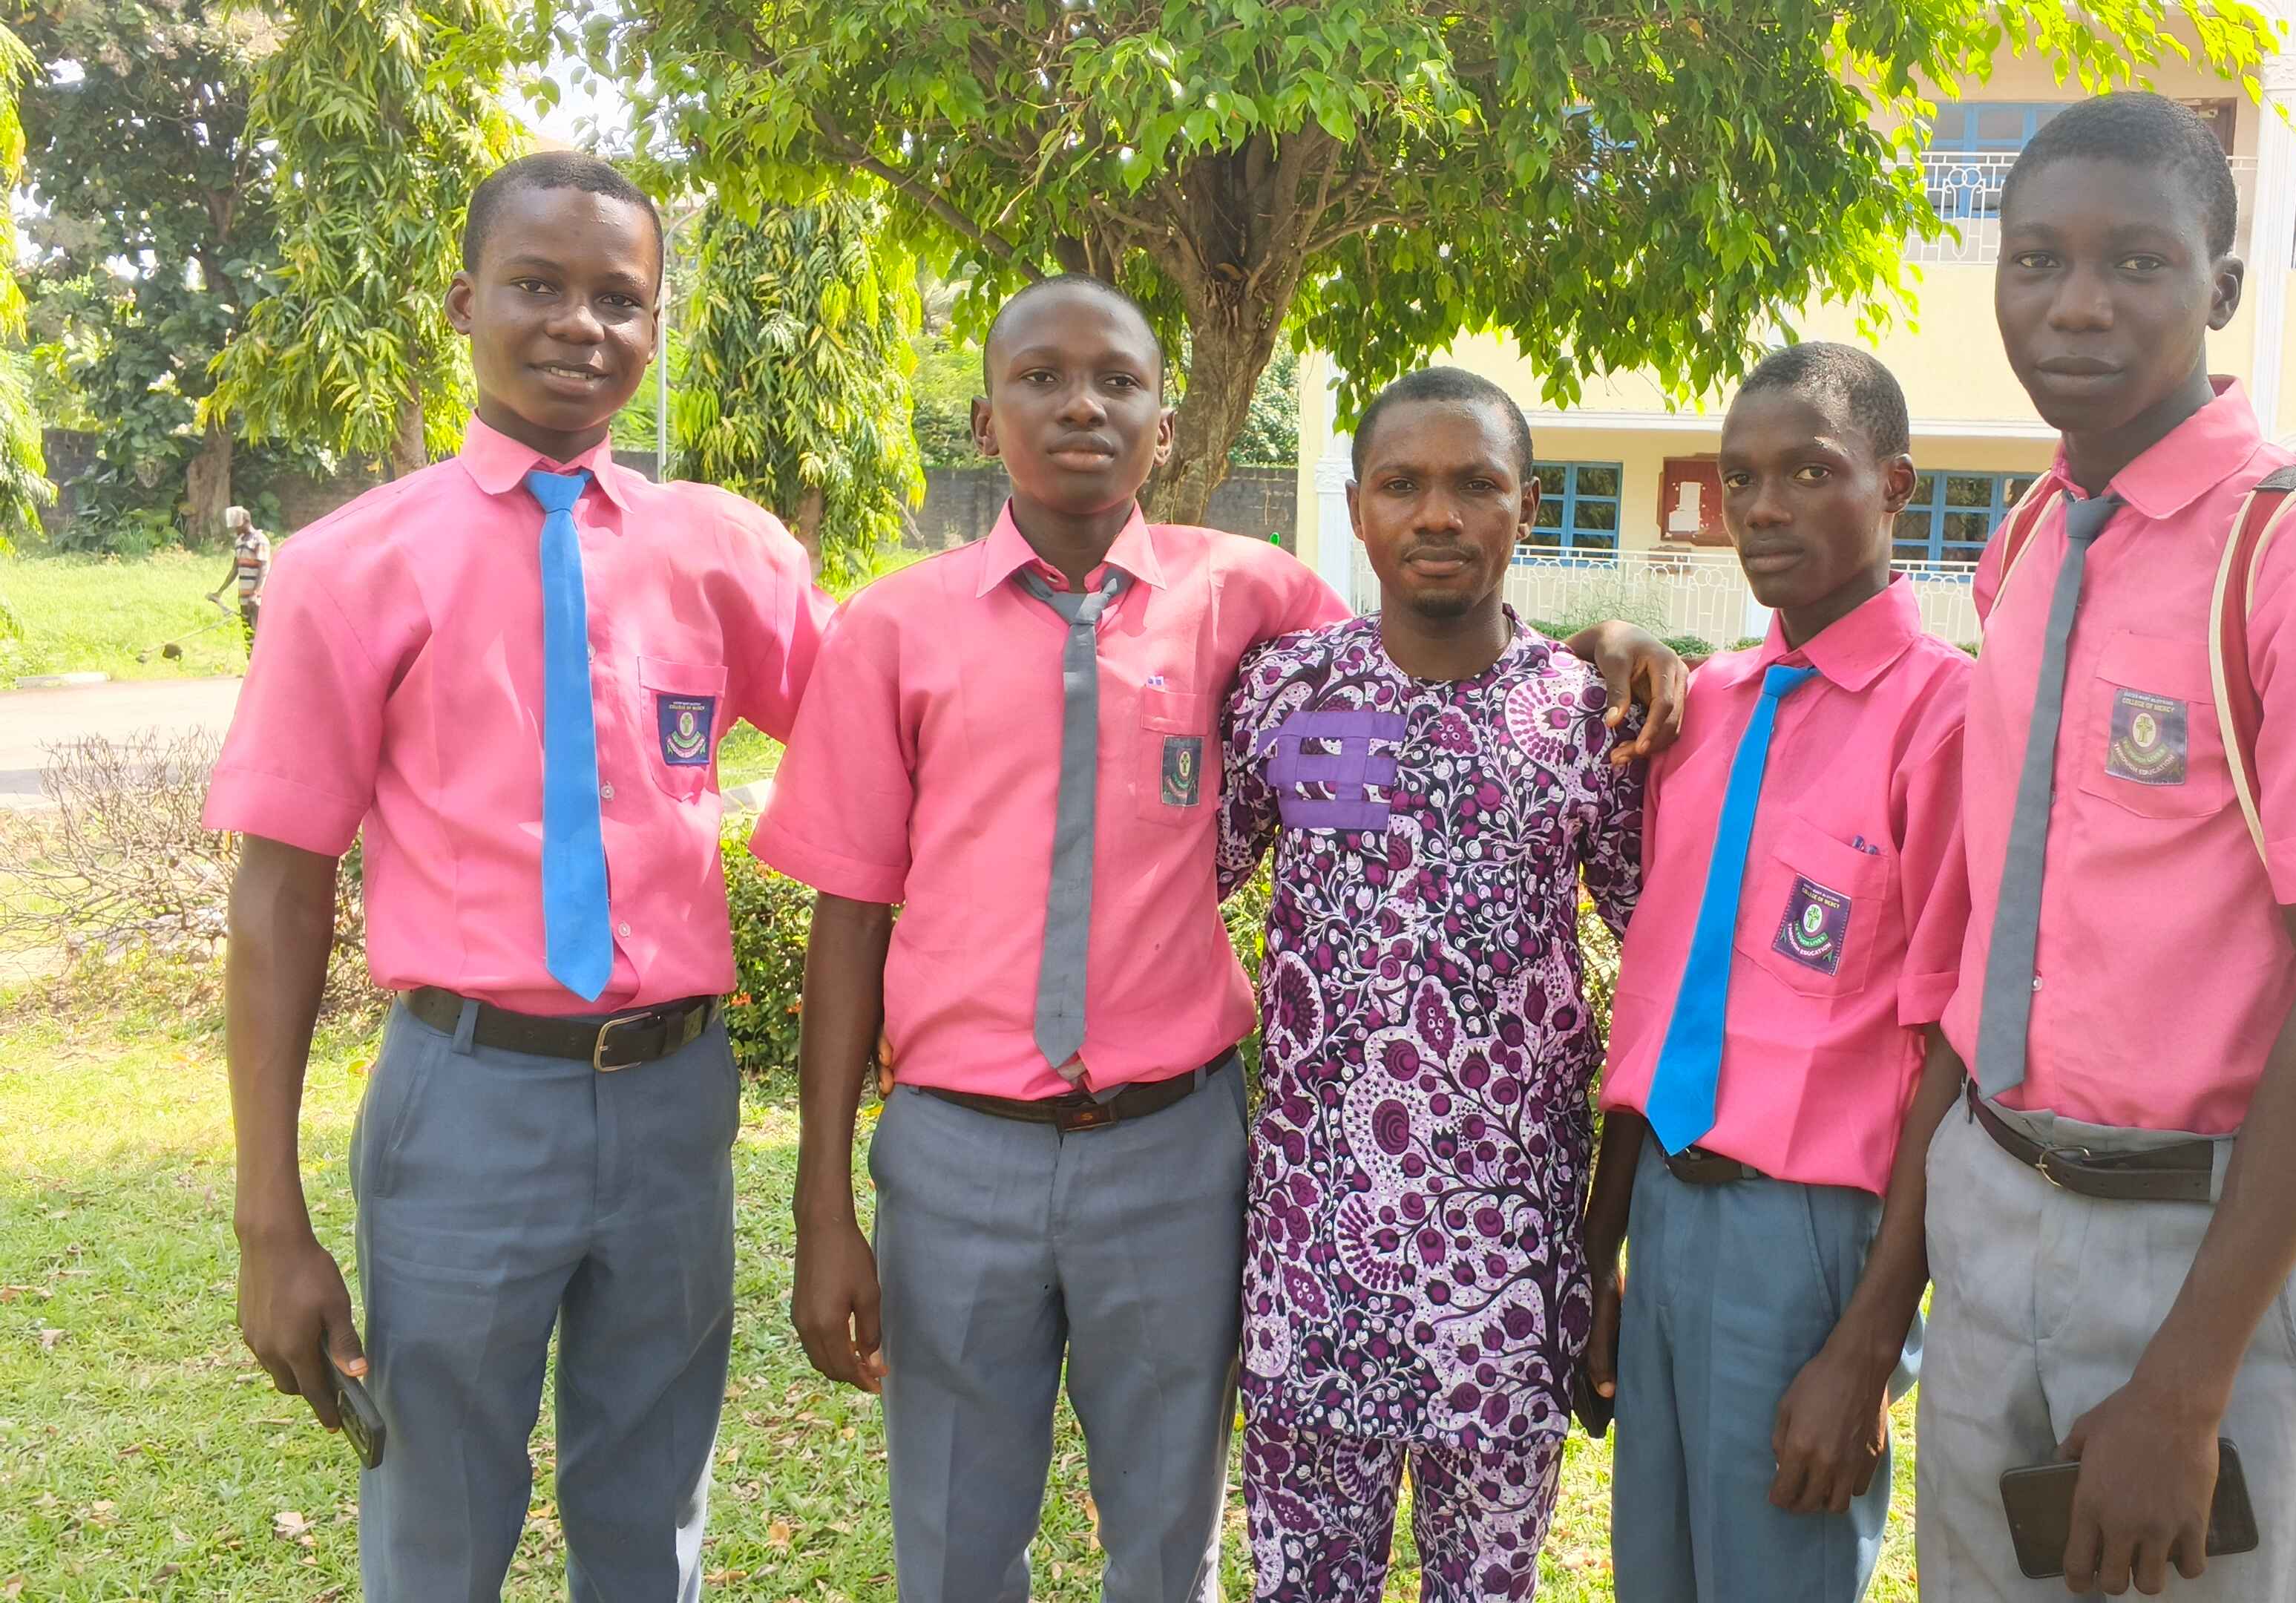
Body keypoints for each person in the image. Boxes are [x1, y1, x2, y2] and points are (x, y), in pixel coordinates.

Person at [752, 275, 1691, 1603]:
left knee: (1174, 1540)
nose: (1081, 406)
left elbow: (1454, 662)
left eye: (1117, 382)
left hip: (1219, 1168)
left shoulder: (1257, 605)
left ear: (1167, 421)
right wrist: (821, 1204)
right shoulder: (914, 629)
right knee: (956, 1540)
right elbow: (851, 910)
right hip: (1000, 1159)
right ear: (983, 416)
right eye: (1040, 378)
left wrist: (1604, 643)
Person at [208, 151, 832, 1601]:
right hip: (466, 1103)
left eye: (619, 297)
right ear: (462, 302)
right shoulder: (350, 567)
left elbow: (892, 739)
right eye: (537, 285)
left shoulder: (722, 553)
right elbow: (280, 890)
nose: (579, 324)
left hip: (676, 1097)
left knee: (652, 1517)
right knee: (438, 1522)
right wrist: (267, 1216)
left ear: (657, 323)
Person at [1917, 91, 2296, 1600]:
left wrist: (2185, 1380)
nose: (2078, 303)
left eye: (2137, 263)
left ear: (2220, 289)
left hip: (2201, 1241)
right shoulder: (2032, 537)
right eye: (2038, 260)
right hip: (1996, 1201)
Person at [1214, 367, 1647, 1603]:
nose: (1439, 515)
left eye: (1476, 485)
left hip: (1506, 1274)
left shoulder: (1587, 718)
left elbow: (1664, 964)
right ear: (1357, 508)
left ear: (1528, 506)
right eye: (1403, 484)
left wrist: (1604, 1241)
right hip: (1311, 1259)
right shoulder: (1286, 693)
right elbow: (1177, 881)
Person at [1582, 341, 1975, 1602]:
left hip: (1810, 1238)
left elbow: (1953, 1049)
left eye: (1809, 471)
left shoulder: (1947, 718)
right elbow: (1664, 1000)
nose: (1762, 508)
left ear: (1894, 486)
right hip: (1666, 1208)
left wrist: (1867, 1346)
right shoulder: (1702, 706)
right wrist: (1600, 1255)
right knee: (1656, 1575)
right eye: (1740, 478)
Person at [211, 505, 273, 656]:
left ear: (245, 522)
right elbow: (235, 569)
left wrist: (256, 594)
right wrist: (220, 591)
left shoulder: (260, 540)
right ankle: (250, 665)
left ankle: (262, 666)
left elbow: (264, 568)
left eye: (236, 525)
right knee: (248, 634)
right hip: (243, 596)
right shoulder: (239, 542)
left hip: (256, 598)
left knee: (259, 633)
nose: (234, 529)